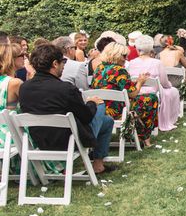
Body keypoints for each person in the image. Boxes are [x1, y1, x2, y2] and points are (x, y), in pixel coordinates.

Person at [19, 44, 115, 174]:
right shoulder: (65, 89)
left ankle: (99, 165)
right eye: (63, 62)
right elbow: (86, 117)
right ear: (54, 64)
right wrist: (92, 103)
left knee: (107, 121)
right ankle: (97, 163)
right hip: (69, 141)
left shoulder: (24, 88)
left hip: (40, 140)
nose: (64, 66)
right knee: (100, 103)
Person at [91, 42, 158, 147]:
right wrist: (140, 82)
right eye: (124, 56)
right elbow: (133, 94)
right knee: (151, 99)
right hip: (117, 111)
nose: (126, 59)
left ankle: (138, 134)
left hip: (100, 109)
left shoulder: (99, 68)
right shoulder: (120, 70)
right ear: (116, 55)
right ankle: (144, 138)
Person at [128, 35, 180, 132]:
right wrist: (169, 85)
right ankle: (168, 119)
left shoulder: (131, 62)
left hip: (135, 92)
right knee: (173, 91)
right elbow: (164, 82)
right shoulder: (157, 63)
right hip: (152, 94)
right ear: (150, 49)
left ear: (138, 49)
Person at [0, 43, 23, 152]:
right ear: (11, 59)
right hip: (11, 135)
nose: (25, 57)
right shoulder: (14, 83)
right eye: (22, 55)